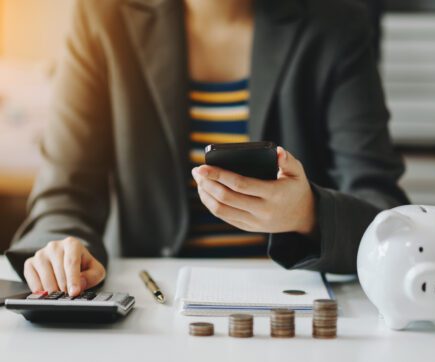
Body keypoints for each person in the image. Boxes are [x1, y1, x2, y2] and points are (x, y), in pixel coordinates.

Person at [6, 0, 409, 297]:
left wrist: (309, 214)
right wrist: (60, 247)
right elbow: (66, 191)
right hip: (155, 303)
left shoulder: (336, 22)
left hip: (298, 304)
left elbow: (381, 205)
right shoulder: (102, 16)